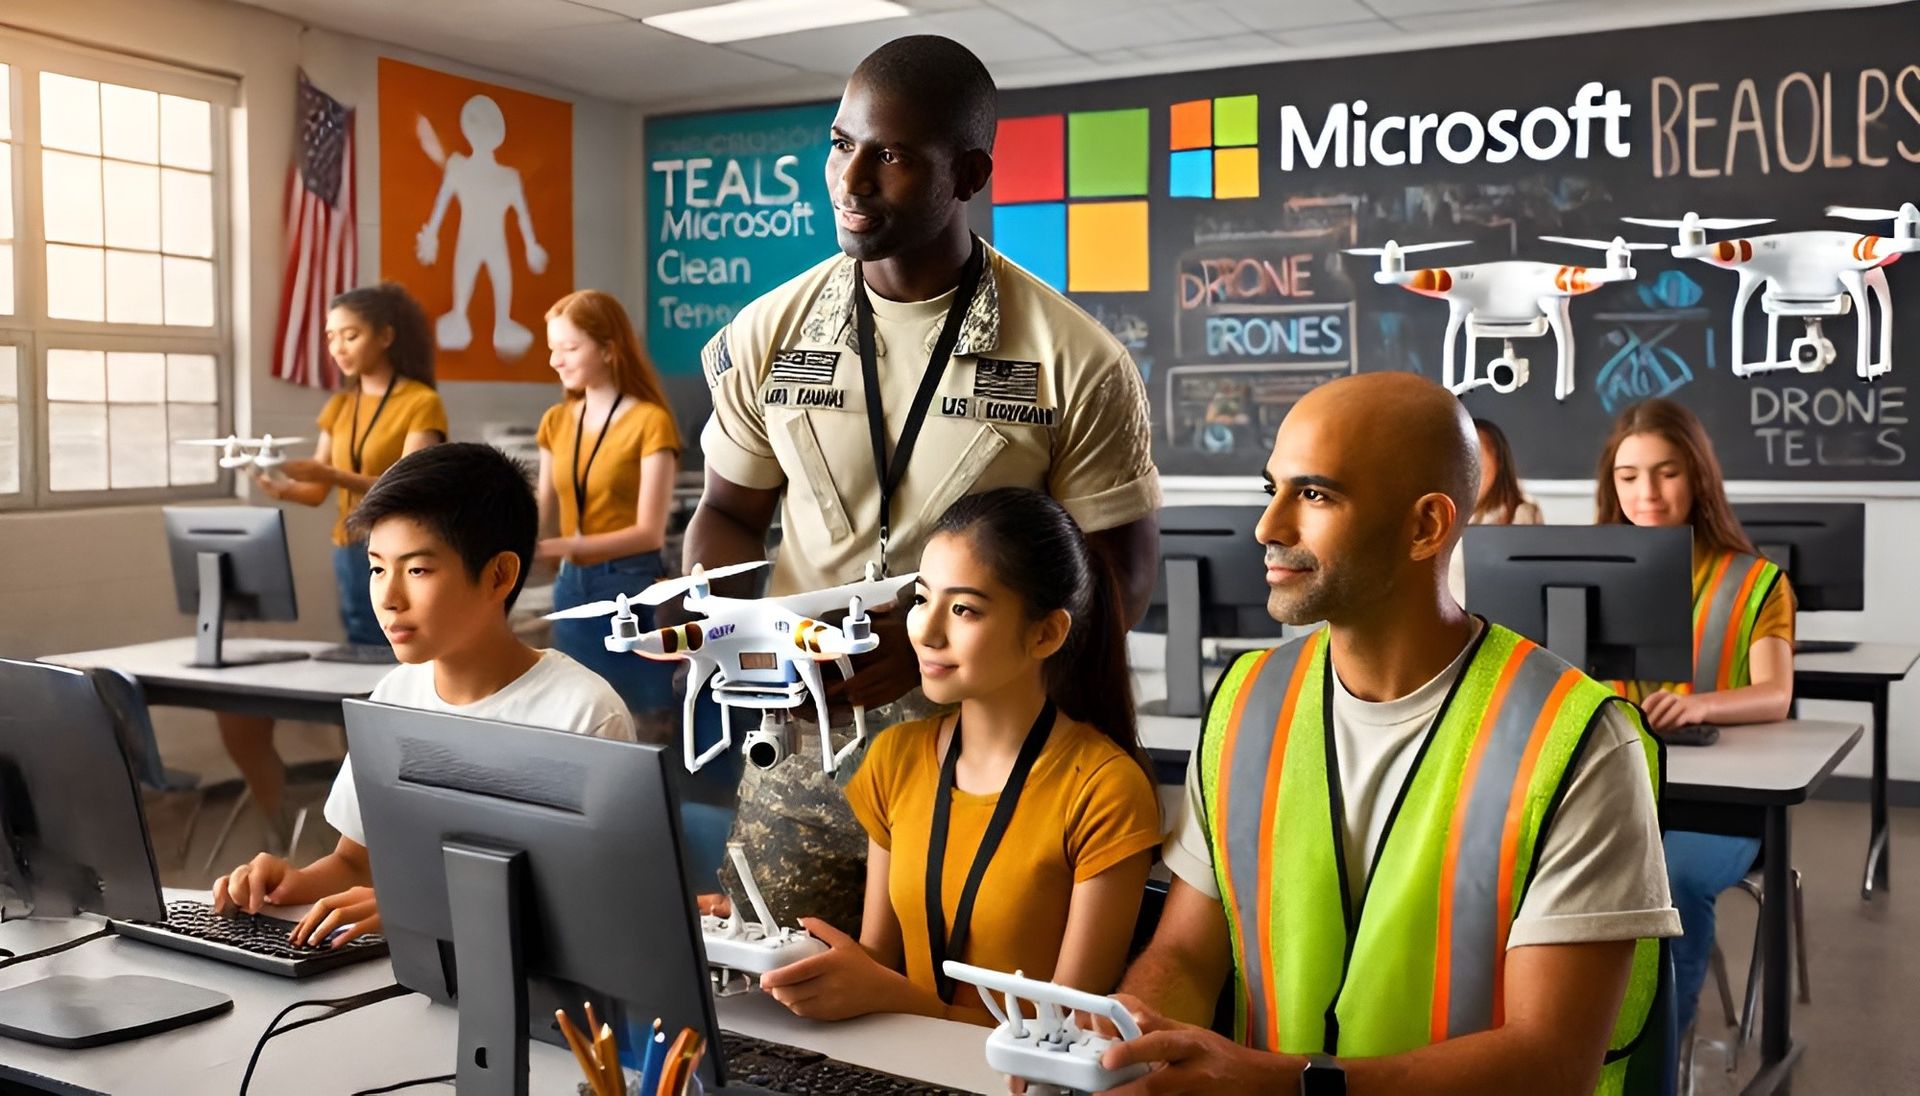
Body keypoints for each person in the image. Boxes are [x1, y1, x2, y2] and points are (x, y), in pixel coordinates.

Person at [686, 34, 1161, 931]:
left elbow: (1121, 574)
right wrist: (744, 637)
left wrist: (936, 649)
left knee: (969, 1025)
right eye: (841, 144)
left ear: (969, 173)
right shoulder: (771, 332)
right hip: (803, 744)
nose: (852, 180)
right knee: (775, 1001)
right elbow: (725, 514)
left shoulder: (1073, 359)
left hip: (987, 752)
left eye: (894, 155)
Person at [1100, 373, 1678, 1095]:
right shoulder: (1247, 702)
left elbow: (1551, 1062)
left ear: (1425, 527)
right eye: (1271, 489)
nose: (1269, 527)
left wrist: (1284, 1085)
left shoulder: (1579, 743)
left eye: (1313, 495)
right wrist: (1135, 1029)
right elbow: (1186, 952)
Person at [758, 489, 1160, 1026]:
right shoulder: (896, 757)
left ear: (1047, 633)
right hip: (905, 1071)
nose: (924, 631)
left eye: (964, 609)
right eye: (922, 599)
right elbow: (879, 961)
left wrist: (898, 999)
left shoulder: (1106, 789)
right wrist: (766, 950)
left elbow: (1067, 1027)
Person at [211, 443, 635, 945]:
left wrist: (427, 912)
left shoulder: (583, 714)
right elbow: (354, 861)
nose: (389, 598)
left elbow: (598, 911)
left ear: (499, 575)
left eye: (417, 570)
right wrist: (290, 884)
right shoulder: (395, 695)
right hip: (402, 974)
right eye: (376, 568)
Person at [1596, 397, 1795, 1051]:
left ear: (1698, 476)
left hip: (1720, 806)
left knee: (1673, 879)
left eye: (1666, 472)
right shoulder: (1588, 572)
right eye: (1628, 476)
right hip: (1617, 789)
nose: (1646, 492)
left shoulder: (1757, 580)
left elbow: (1774, 694)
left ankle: (1659, 1054)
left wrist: (1702, 704)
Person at [221, 284, 447, 845]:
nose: (338, 347)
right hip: (350, 551)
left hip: (401, 554)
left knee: (398, 673)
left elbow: (410, 484)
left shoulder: (420, 401)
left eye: (350, 334)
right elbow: (314, 491)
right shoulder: (340, 404)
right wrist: (268, 479)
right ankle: (363, 815)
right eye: (330, 337)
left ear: (385, 336)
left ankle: (405, 804)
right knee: (359, 676)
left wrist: (329, 476)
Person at [535, 290, 683, 737]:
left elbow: (649, 532)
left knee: (644, 724)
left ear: (607, 347)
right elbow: (541, 512)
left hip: (629, 590)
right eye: (552, 349)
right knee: (579, 722)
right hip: (570, 589)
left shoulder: (650, 421)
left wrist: (565, 545)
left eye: (569, 348)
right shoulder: (556, 421)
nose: (555, 361)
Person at [1447, 417, 1544, 606]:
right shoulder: (1445, 512)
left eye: (1477, 457)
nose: (1469, 468)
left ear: (1499, 461)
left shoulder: (1520, 512)